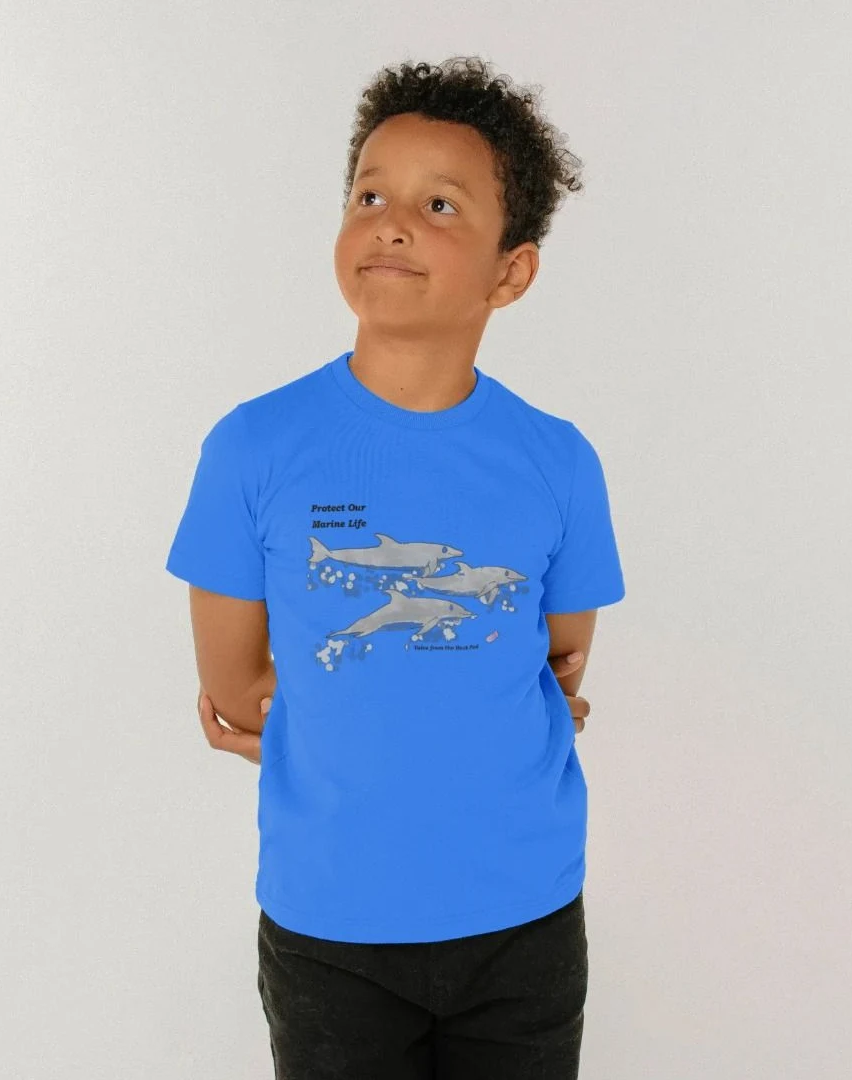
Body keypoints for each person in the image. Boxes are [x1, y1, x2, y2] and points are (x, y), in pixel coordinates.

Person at [165, 55, 626, 1080]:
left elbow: (558, 661)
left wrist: (357, 706)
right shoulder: (252, 448)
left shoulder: (559, 461)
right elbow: (235, 688)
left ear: (511, 272)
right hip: (331, 924)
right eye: (369, 196)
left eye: (440, 204)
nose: (392, 223)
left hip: (525, 917)